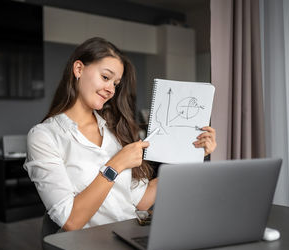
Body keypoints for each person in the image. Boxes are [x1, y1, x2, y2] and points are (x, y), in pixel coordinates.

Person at [24, 37, 217, 232]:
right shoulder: (44, 136)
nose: (110, 90)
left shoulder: (114, 131)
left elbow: (141, 201)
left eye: (116, 84)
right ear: (79, 69)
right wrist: (115, 165)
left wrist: (190, 156)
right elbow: (71, 221)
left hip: (130, 236)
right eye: (106, 77)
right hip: (89, 248)